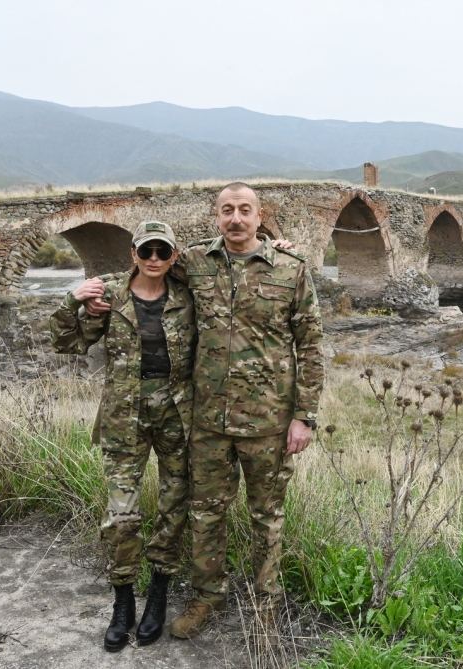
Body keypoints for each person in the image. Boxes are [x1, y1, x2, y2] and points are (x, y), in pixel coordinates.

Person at [85, 183, 324, 639]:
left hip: (268, 421)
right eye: (227, 210)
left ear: (259, 216)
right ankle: (205, 598)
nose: (236, 218)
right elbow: (144, 272)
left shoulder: (290, 270)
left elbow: (310, 344)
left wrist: (304, 415)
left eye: (245, 210)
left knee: (266, 516)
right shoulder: (192, 262)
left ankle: (265, 606)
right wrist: (90, 295)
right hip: (206, 421)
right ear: (216, 216)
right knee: (205, 514)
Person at [49, 220, 196, 652]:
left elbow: (232, 271)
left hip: (176, 415)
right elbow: (66, 343)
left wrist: (275, 247)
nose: (153, 259)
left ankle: (159, 595)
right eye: (146, 251)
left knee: (173, 507)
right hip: (122, 417)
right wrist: (71, 301)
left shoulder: (188, 296)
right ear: (133, 253)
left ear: (173, 256)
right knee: (121, 515)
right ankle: (123, 599)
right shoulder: (108, 295)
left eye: (162, 252)